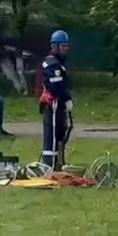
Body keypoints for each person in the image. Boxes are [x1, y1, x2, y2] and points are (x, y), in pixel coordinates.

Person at [38, 30, 73, 169]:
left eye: (66, 45)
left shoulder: (58, 62)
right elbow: (55, 86)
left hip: (59, 103)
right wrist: (66, 98)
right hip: (53, 102)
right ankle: (49, 164)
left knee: (60, 132)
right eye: (63, 46)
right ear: (55, 46)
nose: (66, 48)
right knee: (52, 135)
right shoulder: (52, 63)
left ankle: (58, 163)